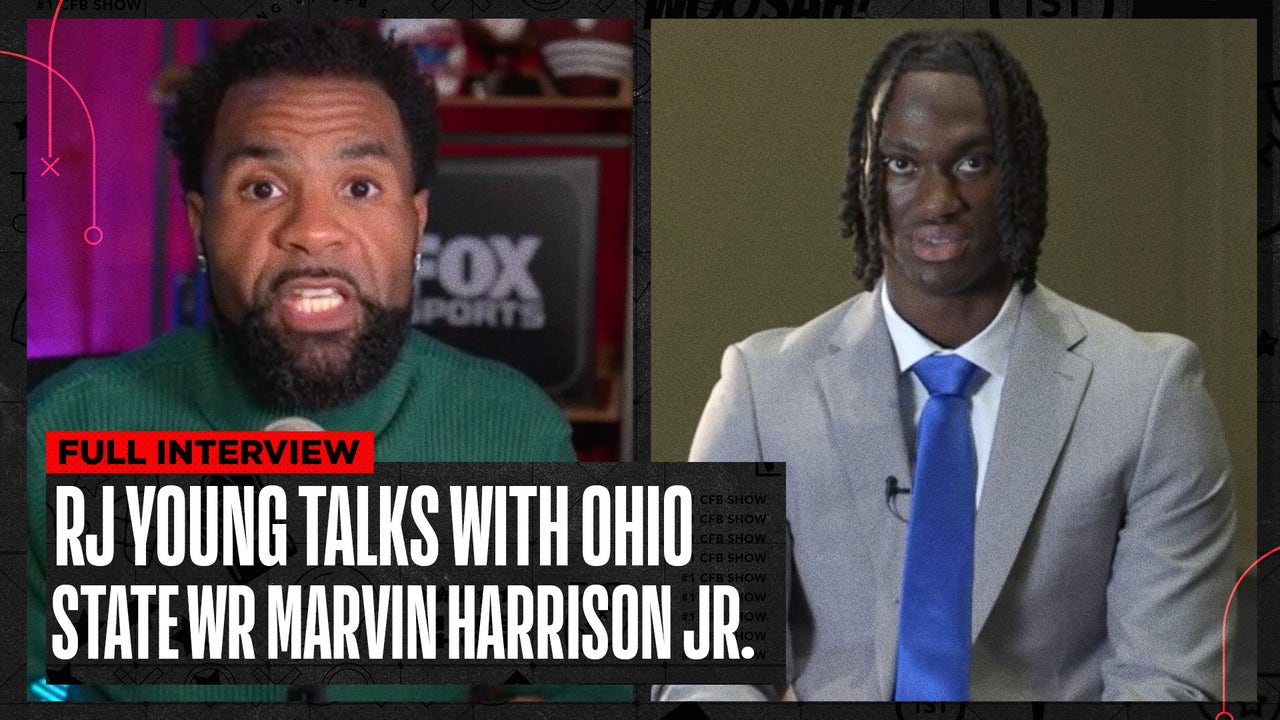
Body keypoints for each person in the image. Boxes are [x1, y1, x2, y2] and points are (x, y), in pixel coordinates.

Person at [656, 28, 1236, 702]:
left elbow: (1168, 683)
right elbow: (708, 677)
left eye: (972, 163)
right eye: (903, 164)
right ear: (865, 173)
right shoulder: (759, 389)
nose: (937, 203)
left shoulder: (1151, 393)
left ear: (1020, 173)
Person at [28, 20, 587, 702]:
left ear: (417, 221)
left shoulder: (514, 436)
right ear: (201, 224)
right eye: (263, 188)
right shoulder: (58, 436)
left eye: (359, 186)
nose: (313, 229)